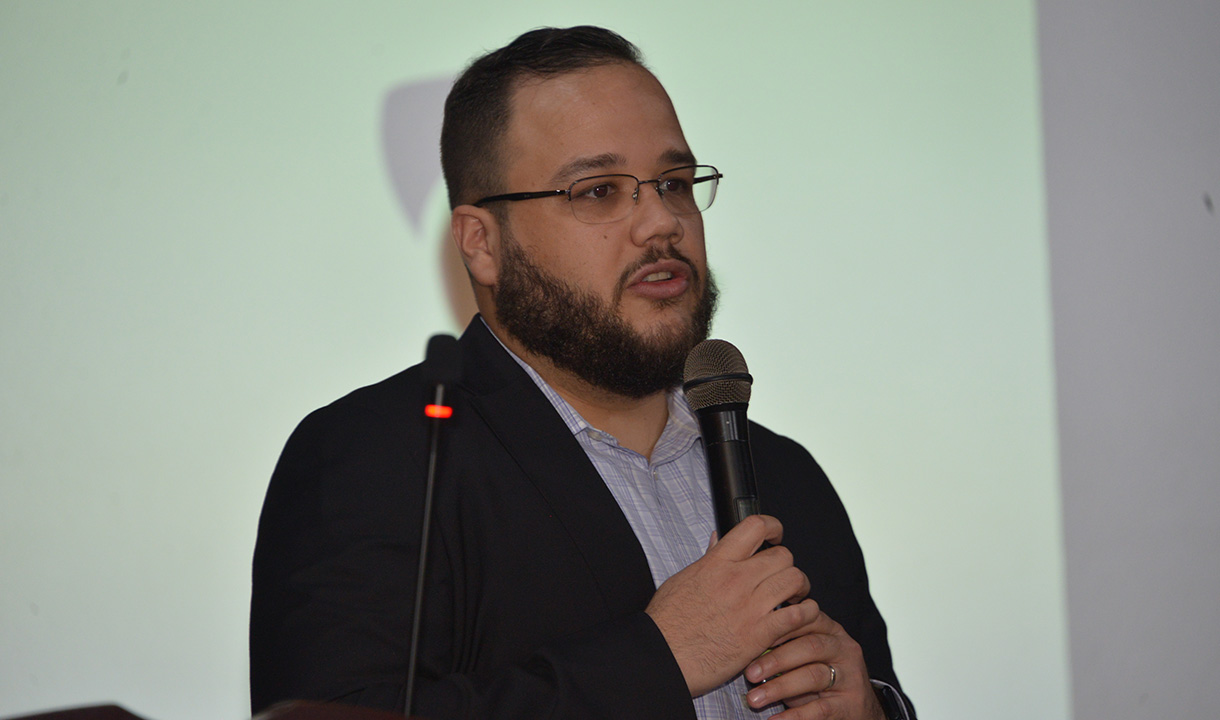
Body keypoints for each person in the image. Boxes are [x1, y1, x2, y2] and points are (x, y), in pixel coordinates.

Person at [250, 26, 914, 720]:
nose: (661, 222)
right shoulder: (383, 457)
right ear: (482, 243)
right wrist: (661, 658)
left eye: (674, 183)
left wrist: (872, 710)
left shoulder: (786, 476)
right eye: (598, 191)